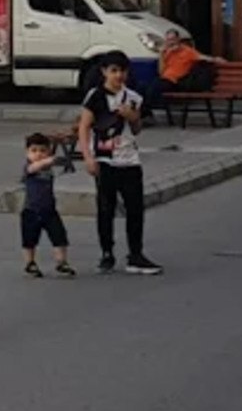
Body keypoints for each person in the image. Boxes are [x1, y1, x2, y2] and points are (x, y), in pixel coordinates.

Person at [77, 52, 162, 275]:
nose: (118, 75)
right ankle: (107, 252)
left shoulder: (133, 97)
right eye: (113, 71)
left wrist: (133, 117)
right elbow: (84, 127)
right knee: (106, 208)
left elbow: (137, 129)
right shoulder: (95, 96)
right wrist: (88, 157)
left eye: (122, 71)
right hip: (105, 159)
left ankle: (136, 254)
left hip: (129, 159)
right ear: (104, 72)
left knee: (135, 209)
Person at [20, 132, 75, 278]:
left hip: (49, 210)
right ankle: (30, 262)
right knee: (29, 239)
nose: (38, 154)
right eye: (34, 151)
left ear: (48, 151)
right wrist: (49, 160)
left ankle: (61, 261)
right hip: (31, 210)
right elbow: (35, 167)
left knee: (59, 236)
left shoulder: (48, 169)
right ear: (27, 153)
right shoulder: (29, 167)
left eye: (42, 150)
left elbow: (59, 164)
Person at [139, 30, 217, 125]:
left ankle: (146, 115)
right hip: (164, 80)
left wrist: (216, 59)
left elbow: (202, 57)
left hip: (176, 82)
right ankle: (146, 115)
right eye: (168, 40)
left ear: (178, 39)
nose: (171, 42)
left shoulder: (187, 51)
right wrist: (161, 55)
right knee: (141, 87)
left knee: (154, 88)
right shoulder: (167, 53)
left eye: (173, 39)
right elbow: (161, 72)